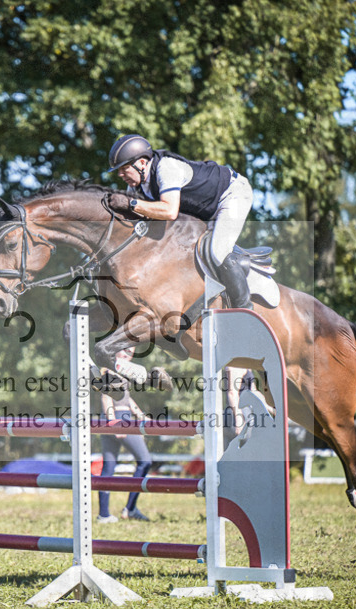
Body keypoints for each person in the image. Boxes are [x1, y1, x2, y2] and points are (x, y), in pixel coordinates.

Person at [105, 133, 254, 309]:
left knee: (218, 251)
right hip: (204, 209)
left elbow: (169, 211)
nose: (121, 174)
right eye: (118, 170)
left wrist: (132, 204)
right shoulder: (135, 184)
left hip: (231, 194)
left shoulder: (166, 168)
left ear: (142, 163)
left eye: (124, 168)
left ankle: (244, 309)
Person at [96, 349, 154, 523]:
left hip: (112, 419)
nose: (126, 356)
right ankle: (130, 508)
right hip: (119, 419)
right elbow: (106, 397)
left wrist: (141, 416)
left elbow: (127, 399)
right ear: (116, 349)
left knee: (108, 468)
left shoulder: (121, 372)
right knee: (145, 461)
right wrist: (114, 422)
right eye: (124, 351)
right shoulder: (109, 370)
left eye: (130, 354)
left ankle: (104, 514)